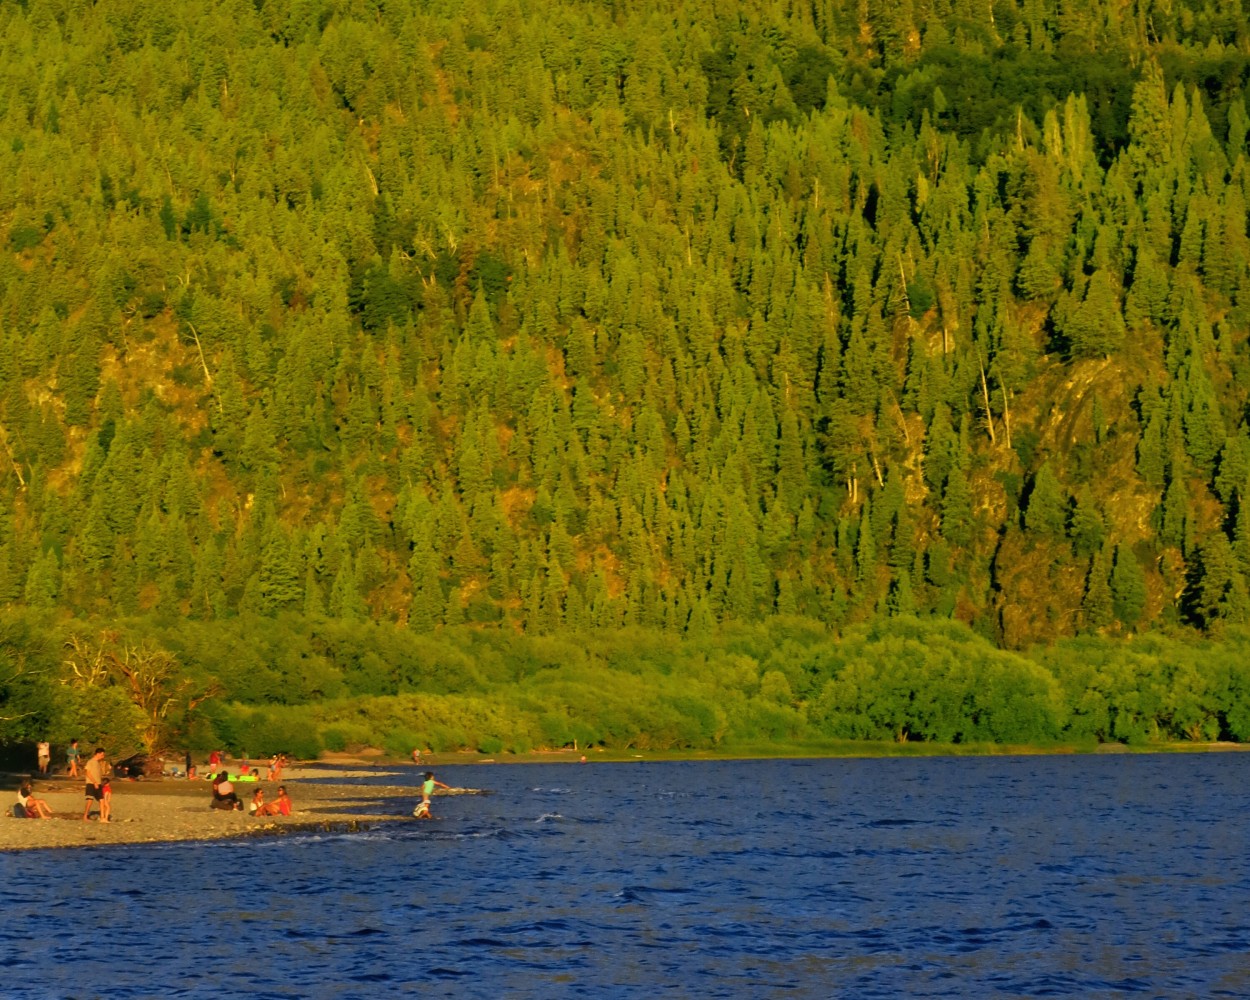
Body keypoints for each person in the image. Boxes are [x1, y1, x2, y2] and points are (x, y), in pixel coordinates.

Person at [82, 748, 106, 821]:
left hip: (98, 784)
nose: (103, 756)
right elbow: (87, 772)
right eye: (102, 754)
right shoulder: (91, 762)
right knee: (90, 800)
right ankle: (85, 816)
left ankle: (102, 818)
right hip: (91, 783)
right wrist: (94, 782)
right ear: (98, 754)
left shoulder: (98, 763)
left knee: (102, 800)